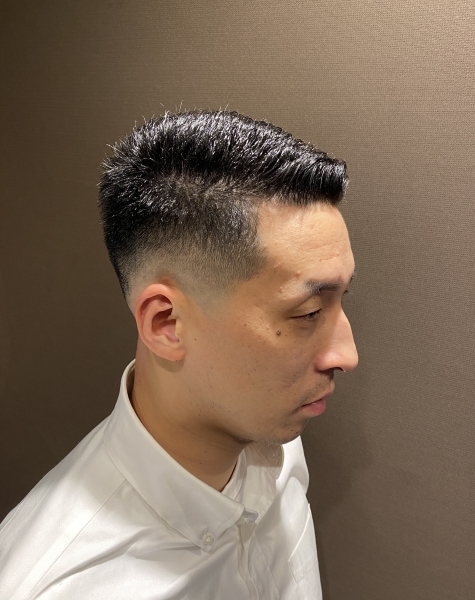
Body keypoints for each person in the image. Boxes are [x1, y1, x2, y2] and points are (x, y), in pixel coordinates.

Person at [0, 110, 358, 599]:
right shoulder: (61, 585)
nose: (346, 355)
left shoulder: (275, 437)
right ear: (166, 324)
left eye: (341, 300)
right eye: (308, 312)